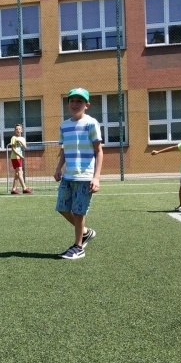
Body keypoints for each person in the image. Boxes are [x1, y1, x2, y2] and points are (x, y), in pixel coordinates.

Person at [54, 88, 103, 260]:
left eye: (79, 101)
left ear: (87, 105)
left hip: (85, 176)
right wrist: (59, 168)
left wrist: (96, 177)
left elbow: (99, 151)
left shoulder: (91, 124)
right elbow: (64, 150)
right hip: (68, 176)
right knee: (61, 207)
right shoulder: (64, 125)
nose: (75, 104)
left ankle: (78, 247)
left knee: (79, 211)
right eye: (72, 100)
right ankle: (85, 232)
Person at [9, 124, 32, 194]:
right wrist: (20, 155)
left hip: (19, 157)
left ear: (21, 130)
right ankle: (24, 188)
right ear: (14, 130)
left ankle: (14, 189)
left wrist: (21, 142)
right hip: (15, 157)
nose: (18, 130)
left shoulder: (22, 138)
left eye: (19, 129)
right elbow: (13, 149)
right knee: (20, 172)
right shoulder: (13, 138)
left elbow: (25, 147)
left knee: (17, 173)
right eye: (16, 129)